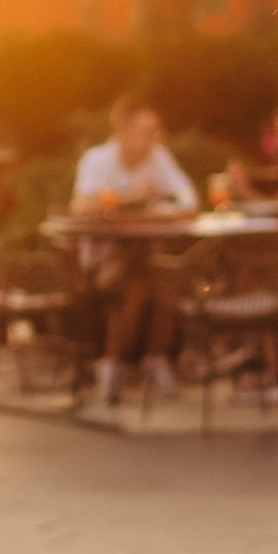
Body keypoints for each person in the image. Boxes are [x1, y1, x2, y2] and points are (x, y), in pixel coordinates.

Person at [69, 92, 196, 407]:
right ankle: (138, 362)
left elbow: (189, 200)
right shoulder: (97, 160)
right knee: (144, 279)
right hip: (101, 261)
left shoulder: (158, 157)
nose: (155, 139)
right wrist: (133, 197)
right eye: (147, 131)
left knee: (162, 278)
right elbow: (80, 206)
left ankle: (128, 364)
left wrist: (160, 206)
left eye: (156, 132)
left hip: (144, 259)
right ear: (123, 132)